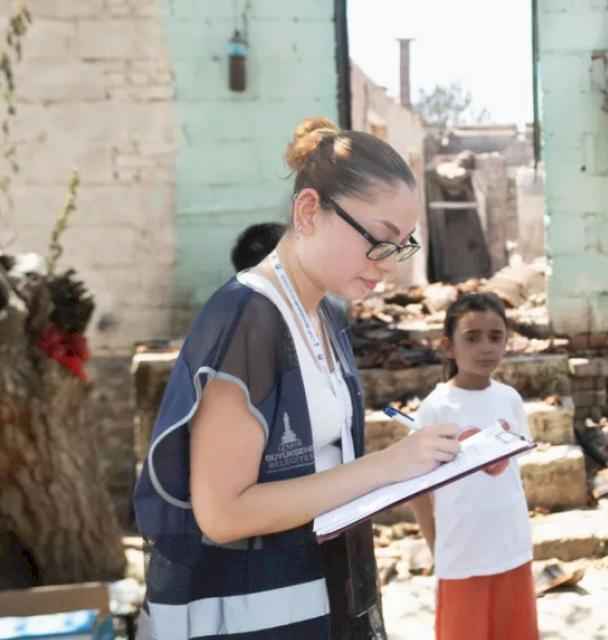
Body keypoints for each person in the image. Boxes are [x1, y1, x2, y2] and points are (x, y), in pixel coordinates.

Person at [133, 116, 459, 639]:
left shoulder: (323, 313)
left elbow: (328, 471)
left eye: (402, 246)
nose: (388, 264)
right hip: (253, 616)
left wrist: (426, 464)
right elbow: (223, 512)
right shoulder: (248, 318)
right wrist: (388, 465)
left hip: (320, 595)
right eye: (379, 239)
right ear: (308, 211)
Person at [408, 292, 538, 640]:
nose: (485, 348)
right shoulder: (436, 408)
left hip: (512, 547)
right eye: (472, 337)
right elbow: (417, 488)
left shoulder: (509, 399)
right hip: (461, 552)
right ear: (448, 346)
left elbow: (512, 475)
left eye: (496, 337)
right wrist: (436, 544)